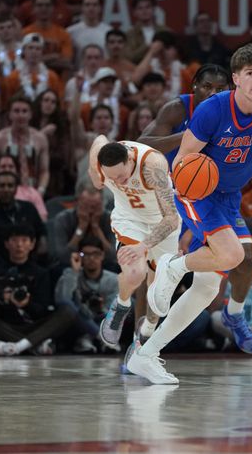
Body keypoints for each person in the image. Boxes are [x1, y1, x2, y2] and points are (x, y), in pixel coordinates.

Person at [129, 43, 252, 384]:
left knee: (205, 289)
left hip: (230, 197)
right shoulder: (213, 110)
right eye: (250, 73)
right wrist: (197, 193)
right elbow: (185, 163)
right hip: (195, 191)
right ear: (236, 79)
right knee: (233, 254)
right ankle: (174, 266)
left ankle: (146, 356)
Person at [87, 137, 182, 352]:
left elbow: (171, 219)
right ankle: (120, 306)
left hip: (163, 222)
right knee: (135, 273)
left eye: (122, 176)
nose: (119, 182)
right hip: (130, 220)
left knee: (159, 293)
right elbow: (100, 139)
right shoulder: (100, 168)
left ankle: (144, 338)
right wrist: (95, 157)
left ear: (130, 159)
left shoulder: (153, 165)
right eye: (113, 179)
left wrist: (144, 246)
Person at [0, 224, 77, 356]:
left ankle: (18, 346)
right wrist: (4, 301)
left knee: (68, 311)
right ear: (6, 244)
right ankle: (33, 346)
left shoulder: (41, 273)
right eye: (14, 240)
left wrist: (27, 304)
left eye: (24, 240)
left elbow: (44, 307)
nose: (19, 245)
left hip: (35, 326)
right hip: (6, 326)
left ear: (32, 244)